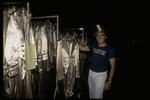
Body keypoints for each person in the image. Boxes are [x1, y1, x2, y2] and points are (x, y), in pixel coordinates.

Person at [74, 24, 116, 99]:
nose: (99, 37)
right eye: (97, 35)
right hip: (91, 73)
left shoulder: (110, 50)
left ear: (105, 37)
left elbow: (113, 67)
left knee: (97, 97)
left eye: (101, 35)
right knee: (91, 96)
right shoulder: (93, 46)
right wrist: (74, 40)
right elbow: (82, 48)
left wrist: (109, 81)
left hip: (101, 76)